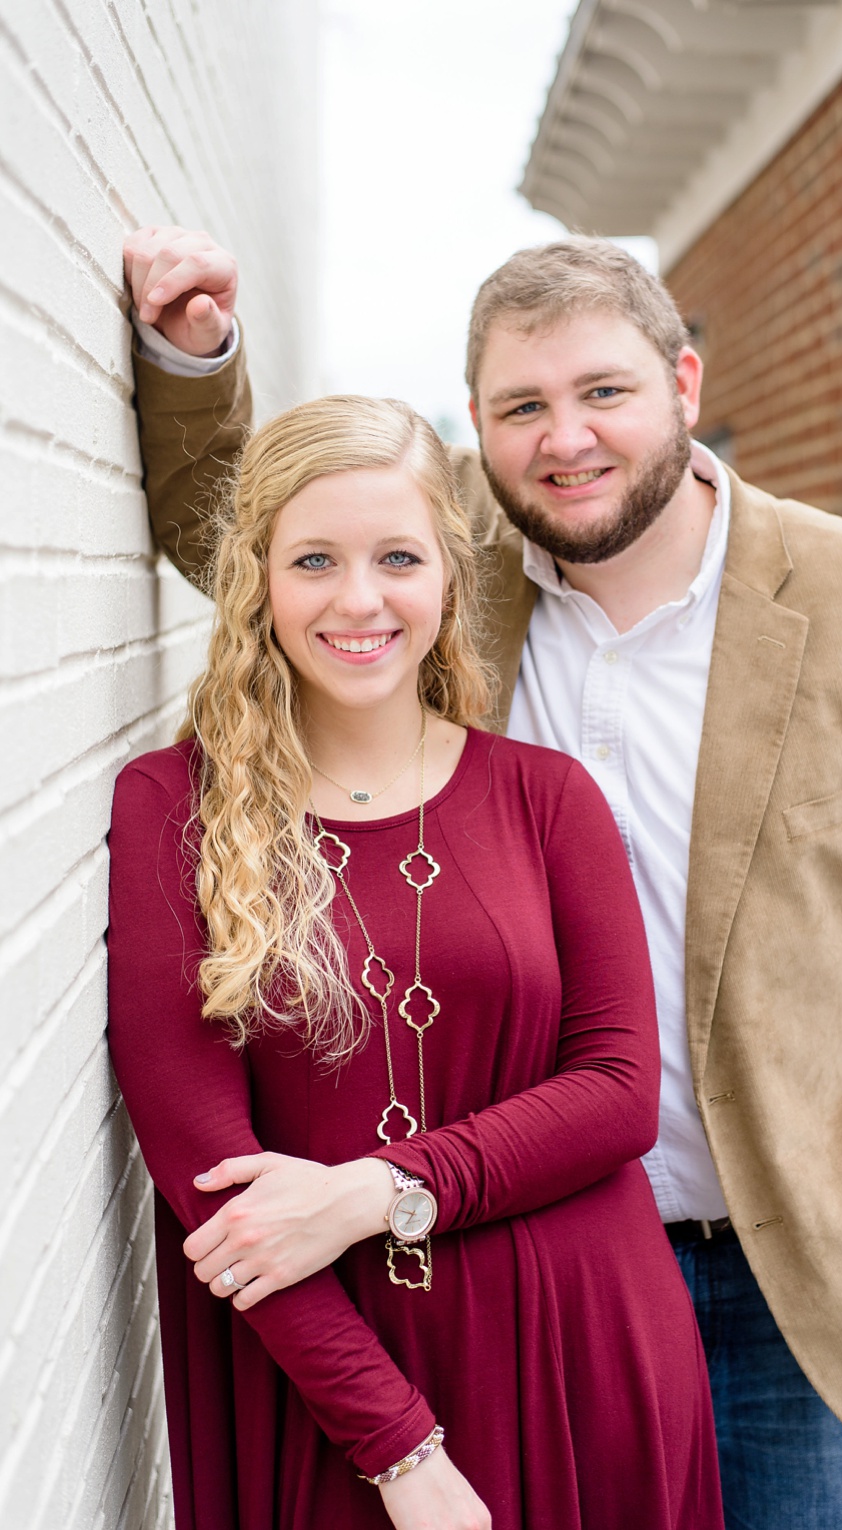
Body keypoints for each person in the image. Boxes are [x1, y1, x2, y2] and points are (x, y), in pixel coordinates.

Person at [121, 226, 842, 1529]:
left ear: (686, 387)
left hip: (806, 1280)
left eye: (604, 391)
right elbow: (264, 537)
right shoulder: (449, 577)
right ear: (477, 427)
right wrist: (193, 356)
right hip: (522, 1255)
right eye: (522, 406)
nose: (567, 438)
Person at [106, 395, 721, 1529]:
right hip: (320, 1390)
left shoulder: (548, 799)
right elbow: (208, 1181)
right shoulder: (168, 810)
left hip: (578, 1342)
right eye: (313, 560)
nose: (359, 599)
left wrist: (375, 1194)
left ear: (449, 574)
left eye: (398, 556)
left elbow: (617, 1094)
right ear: (256, 580)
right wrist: (399, 1452)